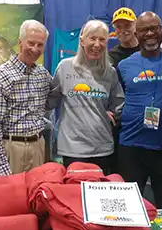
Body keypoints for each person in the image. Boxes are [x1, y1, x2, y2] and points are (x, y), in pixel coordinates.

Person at [117, 11, 162, 209]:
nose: (149, 34)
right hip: (131, 146)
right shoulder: (124, 66)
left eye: (154, 28)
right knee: (129, 207)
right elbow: (116, 97)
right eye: (144, 30)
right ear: (136, 34)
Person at [47, 20, 125, 175]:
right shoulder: (64, 67)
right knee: (74, 196)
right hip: (72, 149)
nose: (97, 44)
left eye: (102, 39)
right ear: (82, 40)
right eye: (92, 38)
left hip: (102, 148)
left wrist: (113, 113)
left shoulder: (110, 72)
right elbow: (50, 100)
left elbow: (118, 102)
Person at [0, 20, 51, 176]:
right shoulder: (1, 76)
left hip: (37, 148)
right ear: (20, 42)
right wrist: (1, 169)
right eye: (31, 43)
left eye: (40, 45)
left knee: (34, 198)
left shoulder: (43, 75)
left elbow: (54, 98)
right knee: (4, 199)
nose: (35, 49)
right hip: (9, 149)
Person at [108, 6, 140, 173]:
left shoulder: (147, 51)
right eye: (119, 26)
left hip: (142, 120)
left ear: (135, 26)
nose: (123, 30)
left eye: (127, 25)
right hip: (120, 123)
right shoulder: (110, 56)